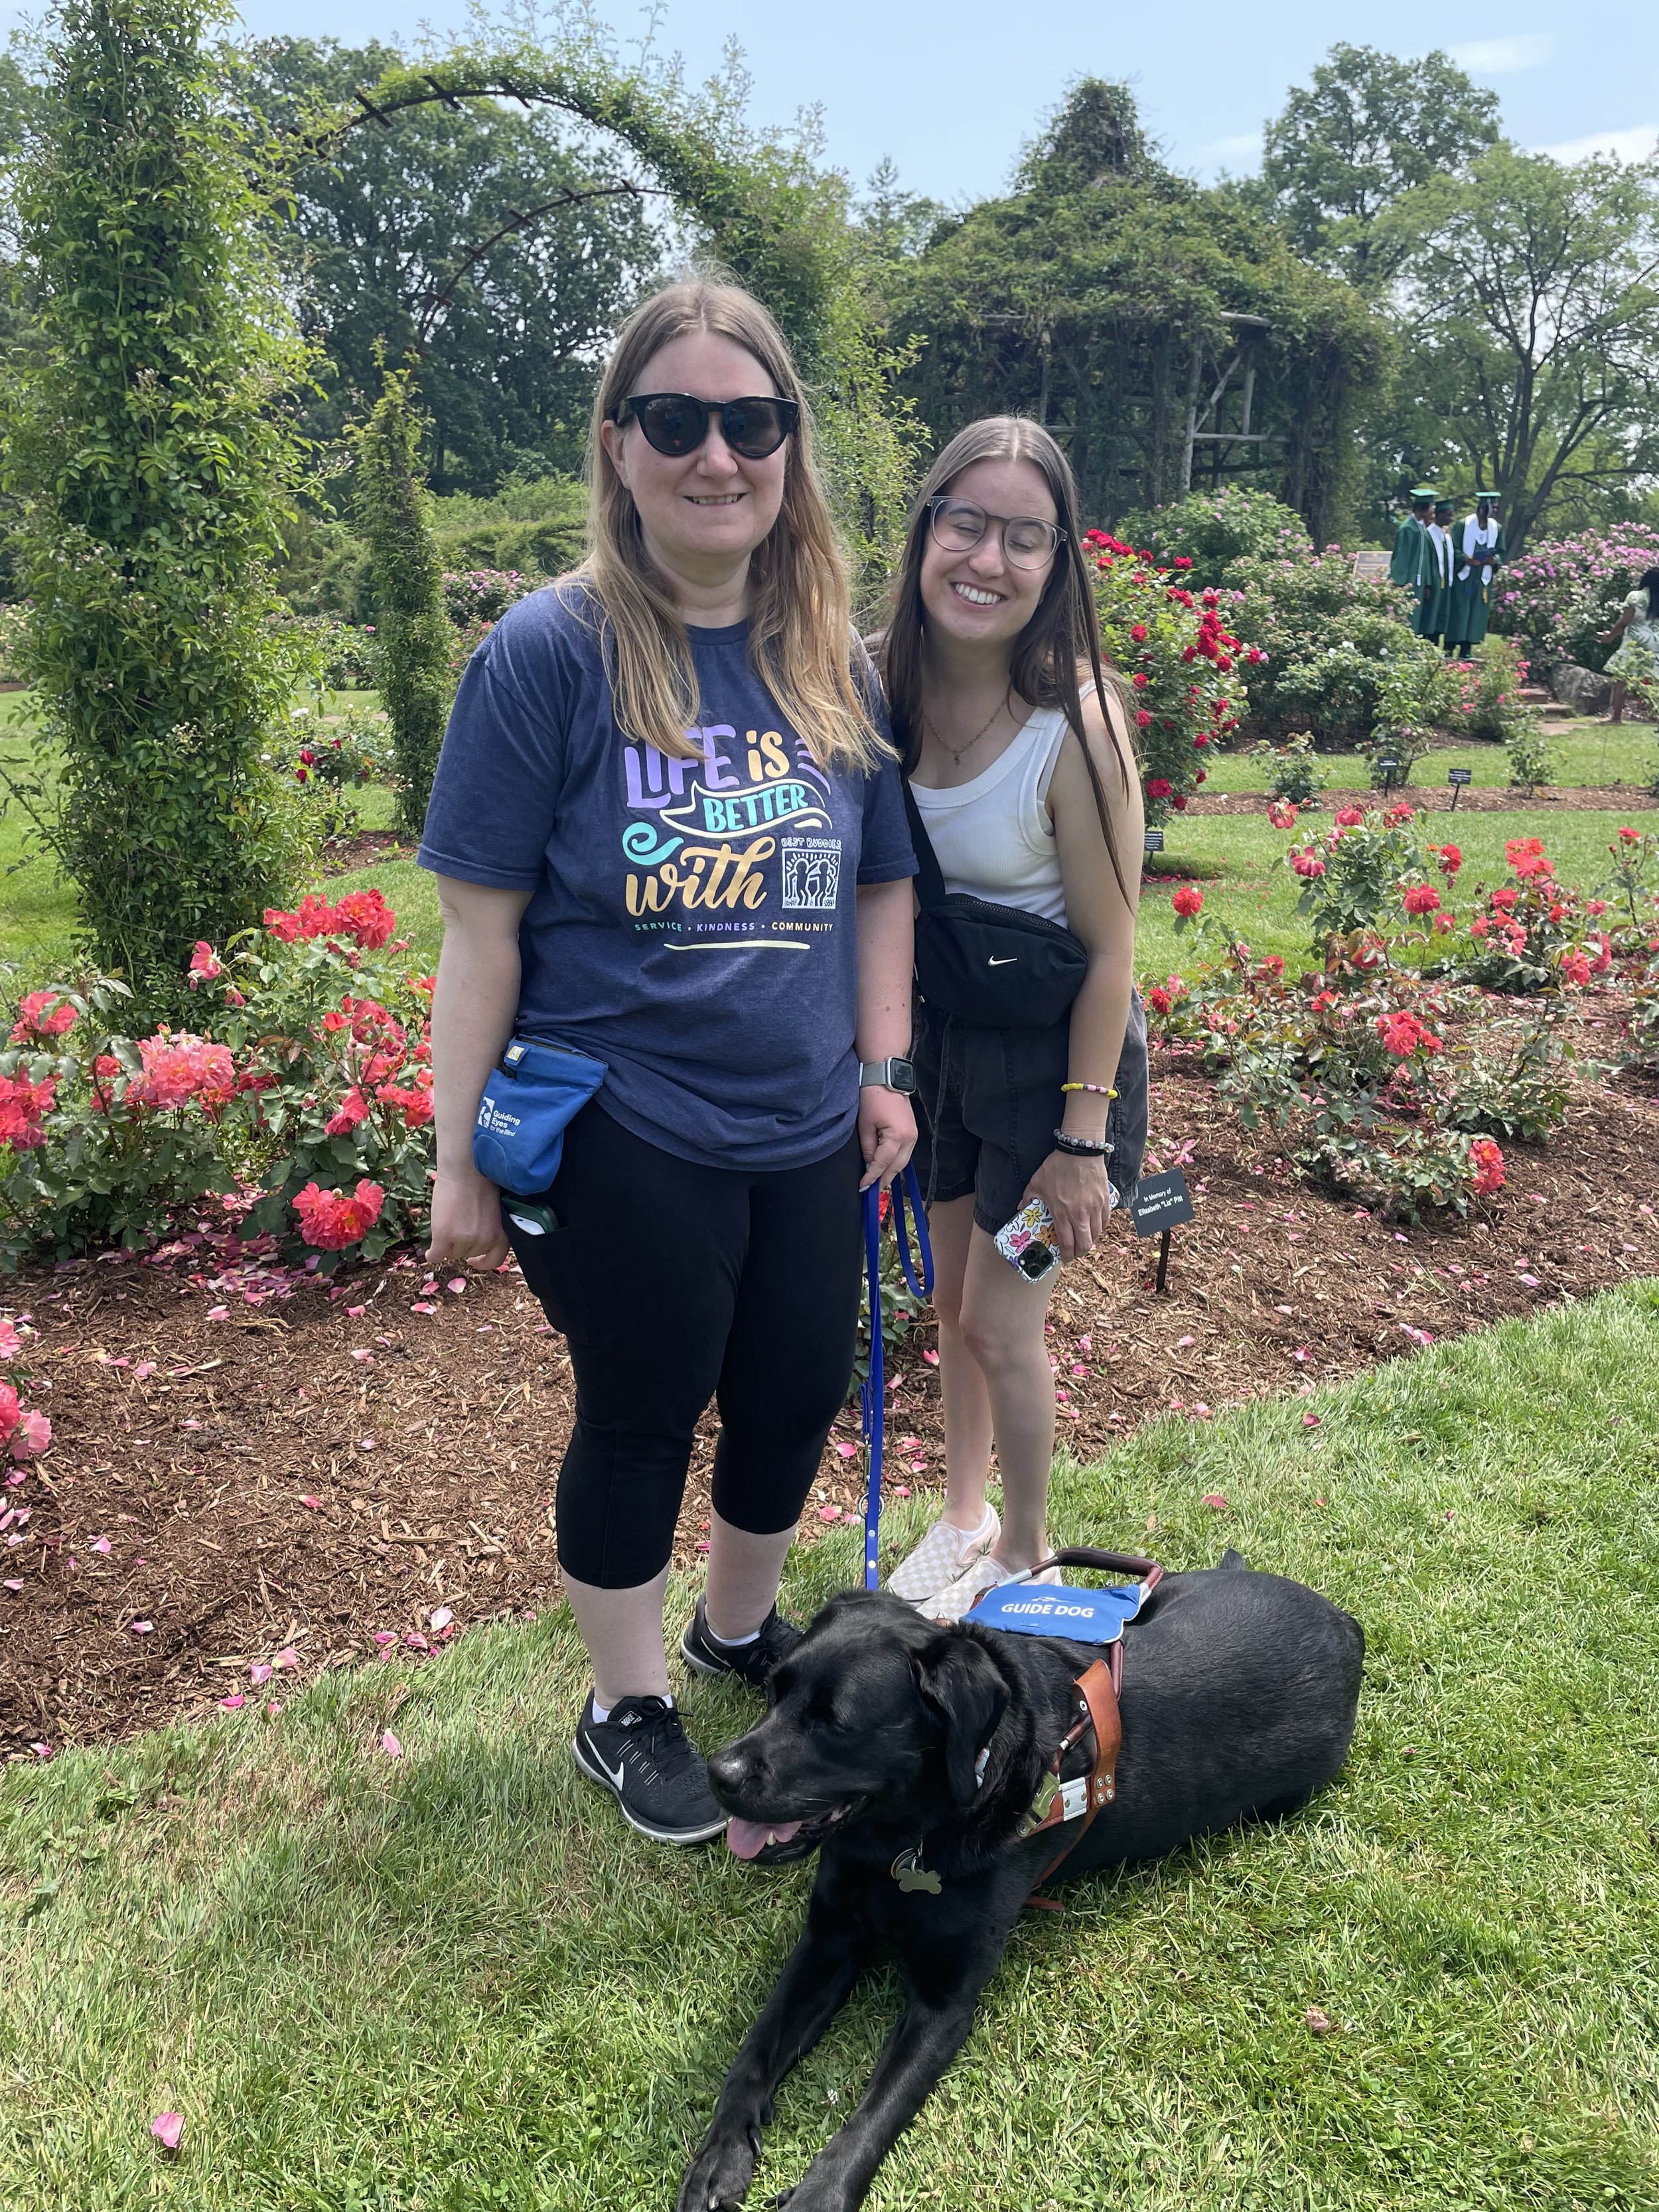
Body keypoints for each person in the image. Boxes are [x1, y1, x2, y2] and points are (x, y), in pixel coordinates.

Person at [418, 279, 918, 1845]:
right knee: (642, 1407)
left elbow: (883, 877)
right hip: (623, 1117)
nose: (718, 455)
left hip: (802, 1118)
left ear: (790, 447)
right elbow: (481, 934)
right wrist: (452, 1160)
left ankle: (731, 1631)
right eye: (678, 421)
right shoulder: (548, 654)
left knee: (788, 1390)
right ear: (619, 445)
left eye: (750, 422)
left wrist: (882, 1065)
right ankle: (624, 1703)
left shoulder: (828, 655)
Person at [877, 418, 1145, 1623]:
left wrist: (1084, 1143)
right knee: (948, 1296)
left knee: (1002, 1313)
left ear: (1055, 563)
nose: (987, 557)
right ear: (928, 528)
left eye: (1023, 535)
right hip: (947, 1054)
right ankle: (963, 1512)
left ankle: (1027, 1550)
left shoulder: (1076, 728)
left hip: (1064, 1078)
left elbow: (1113, 950)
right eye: (966, 522)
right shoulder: (874, 690)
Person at [1599, 565, 1659, 725]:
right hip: (1656, 642)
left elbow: (1625, 622)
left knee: (1622, 678)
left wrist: (1610, 636)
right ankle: (1656, 714)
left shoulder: (1636, 597)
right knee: (1655, 678)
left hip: (1635, 641)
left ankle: (1617, 717)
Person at [1447, 493, 1505, 656]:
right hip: (1464, 575)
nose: (1492, 512)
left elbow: (1501, 552)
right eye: (1490, 508)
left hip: (1482, 578)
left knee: (1475, 613)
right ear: (1481, 508)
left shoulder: (1497, 529)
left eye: (1494, 509)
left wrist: (1495, 560)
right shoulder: (1463, 525)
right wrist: (1466, 559)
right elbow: (1453, 549)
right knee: (1459, 611)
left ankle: (1467, 648)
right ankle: (1449, 647)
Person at [1421, 497, 1457, 649]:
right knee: (1431, 615)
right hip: (1434, 582)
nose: (1451, 518)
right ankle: (1427, 645)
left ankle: (1436, 645)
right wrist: (1428, 584)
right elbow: (1426, 562)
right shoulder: (1428, 534)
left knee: (1441, 615)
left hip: (1445, 583)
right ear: (1439, 515)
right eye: (1448, 515)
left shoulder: (1447, 536)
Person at [1389, 487, 1435, 602]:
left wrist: (1427, 583)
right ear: (1421, 509)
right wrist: (1398, 583)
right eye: (1430, 508)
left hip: (1418, 582)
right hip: (1408, 582)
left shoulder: (1421, 527)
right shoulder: (1408, 529)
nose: (1432, 512)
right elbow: (1402, 558)